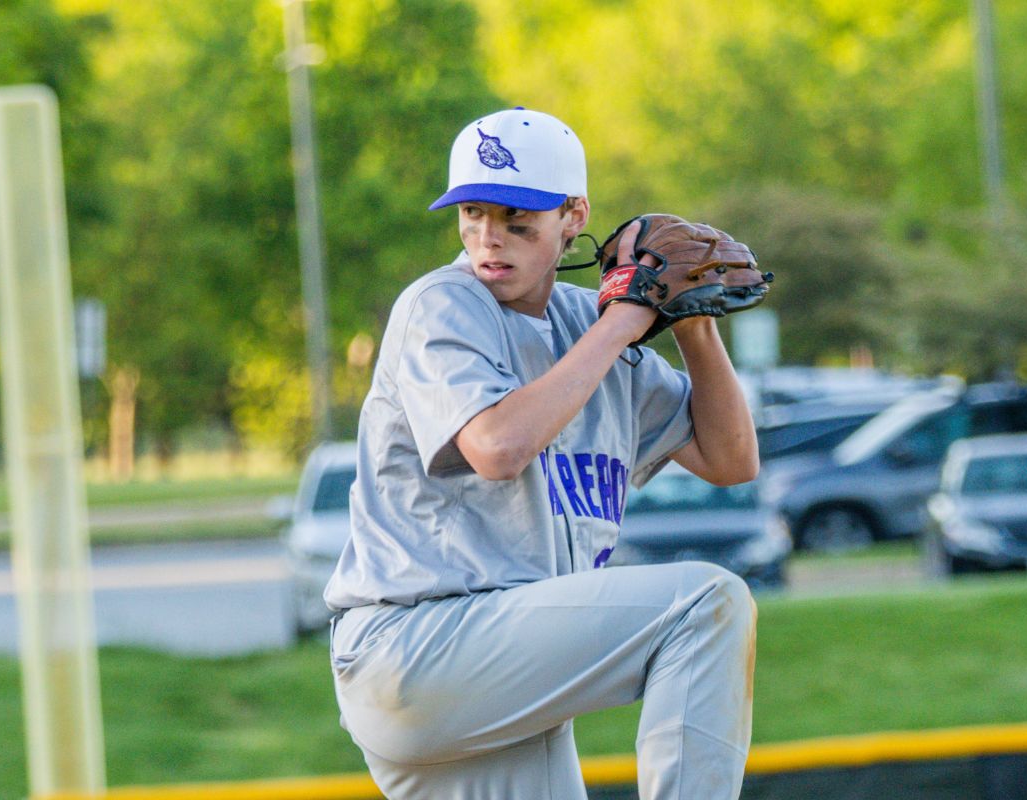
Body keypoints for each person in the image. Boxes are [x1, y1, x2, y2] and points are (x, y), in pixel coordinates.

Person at [324, 107, 759, 800]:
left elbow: (731, 461)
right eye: (472, 214)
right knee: (706, 604)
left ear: (573, 217)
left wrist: (693, 328)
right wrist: (624, 322)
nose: (488, 238)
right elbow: (497, 446)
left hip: (498, 677)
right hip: (416, 645)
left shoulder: (592, 329)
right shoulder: (444, 303)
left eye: (516, 218)